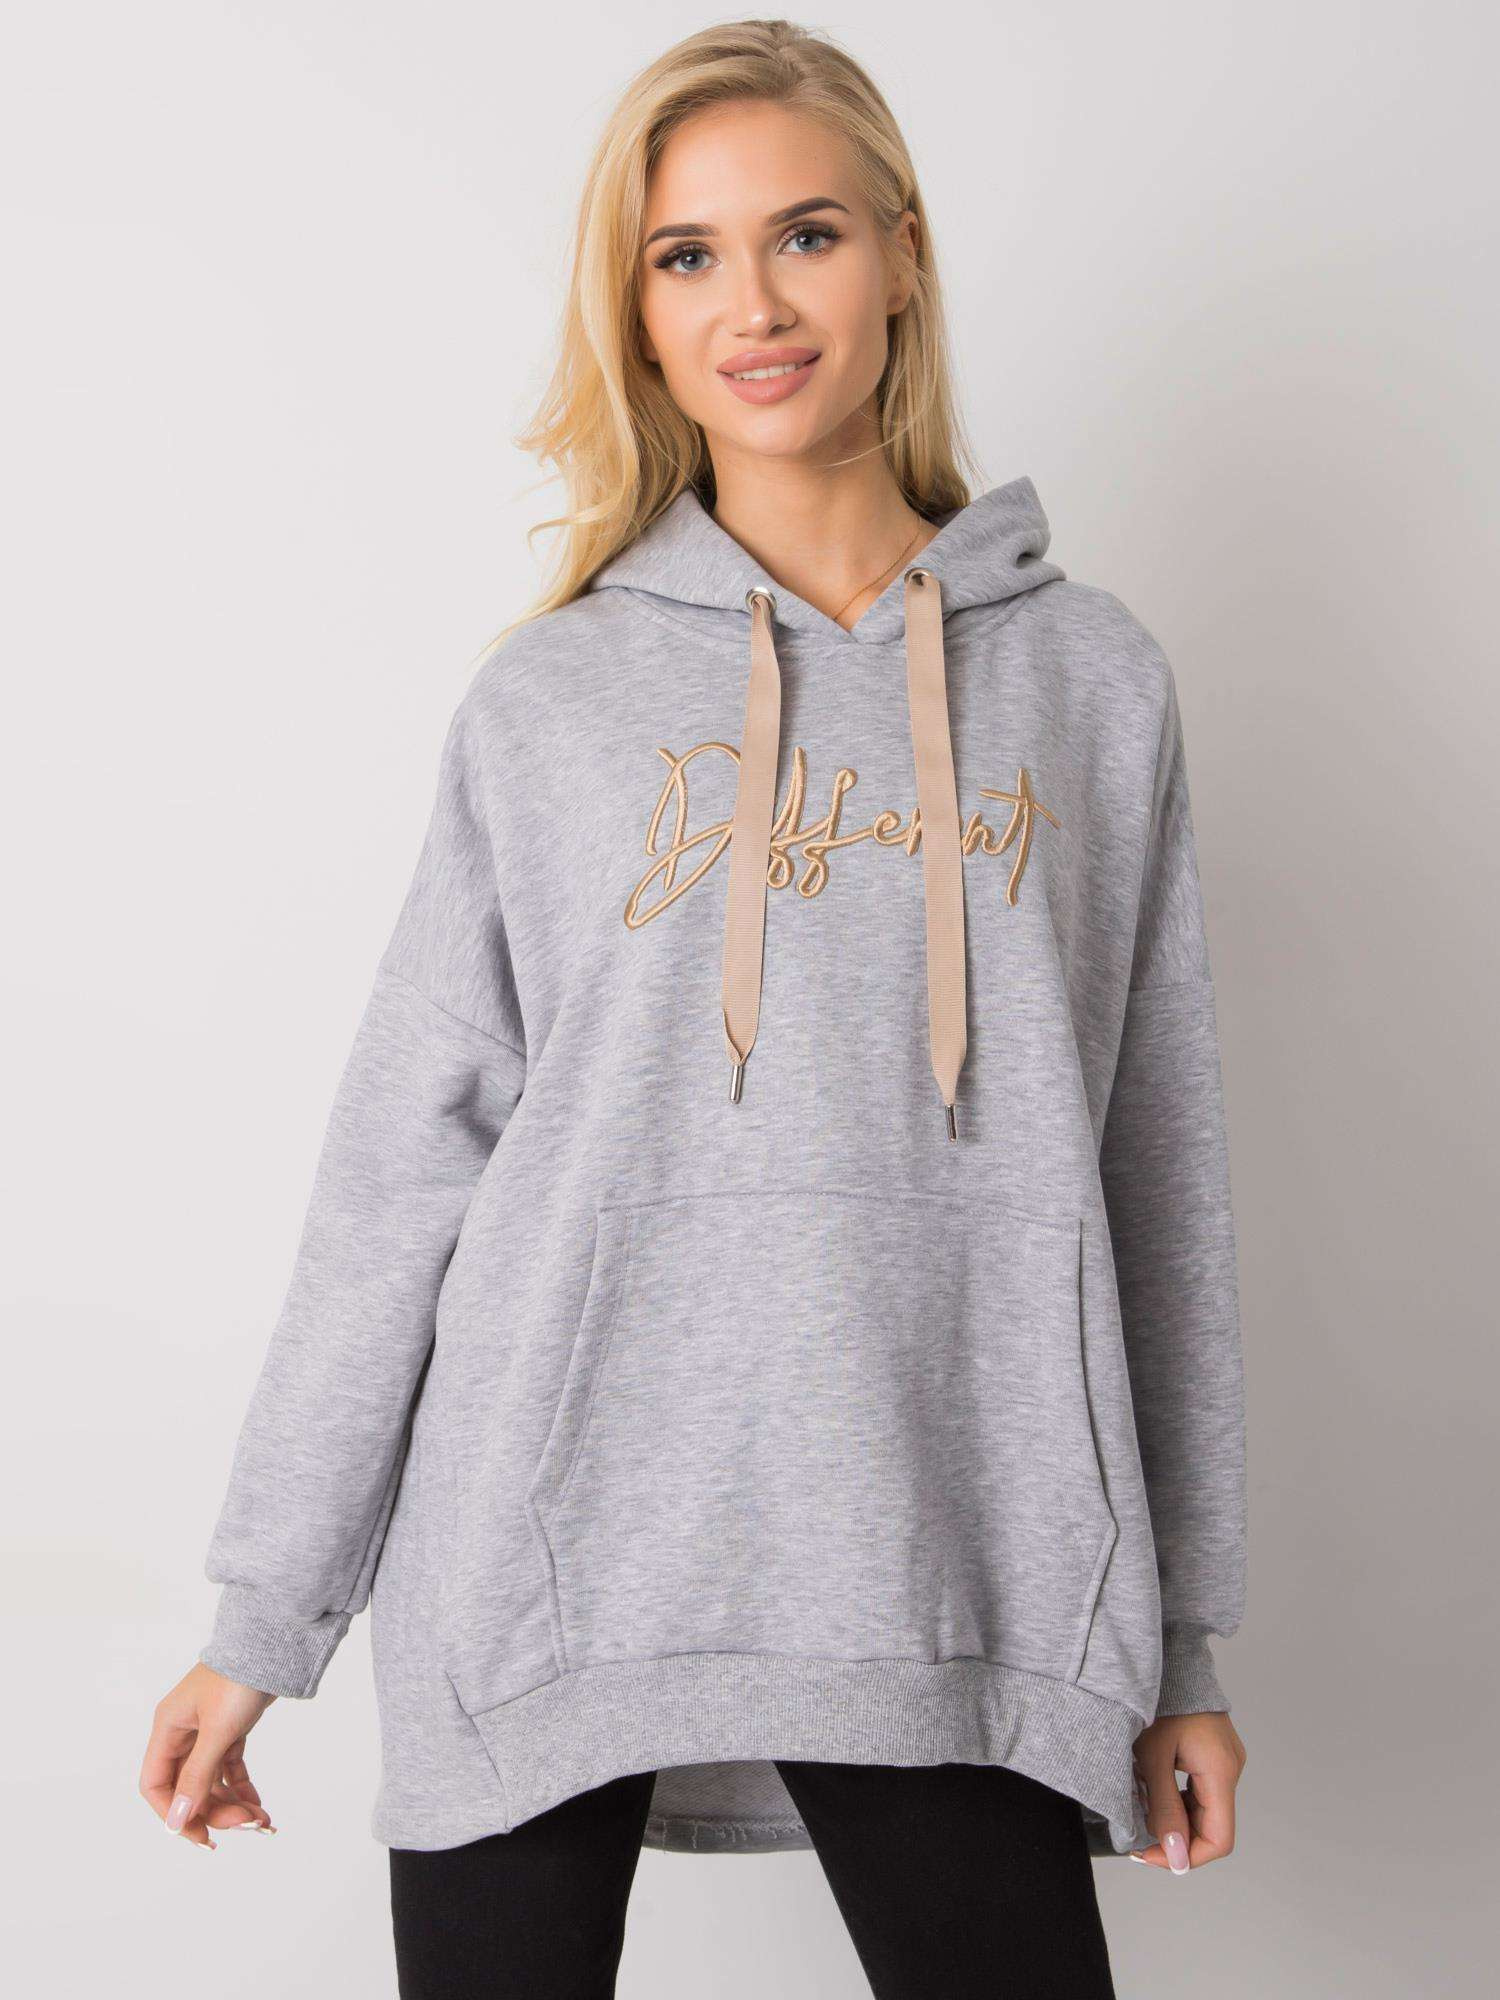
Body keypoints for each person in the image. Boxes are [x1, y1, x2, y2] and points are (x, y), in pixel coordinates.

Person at [138, 18, 1248, 1996]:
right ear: (638, 314)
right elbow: (402, 1170)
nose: (756, 303)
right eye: (686, 255)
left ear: (900, 257)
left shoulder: (1090, 681)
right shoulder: (549, 703)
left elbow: (1155, 1180)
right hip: (543, 1552)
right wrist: (266, 1614)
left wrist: (1180, 1642)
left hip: (947, 1545)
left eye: (806, 233)